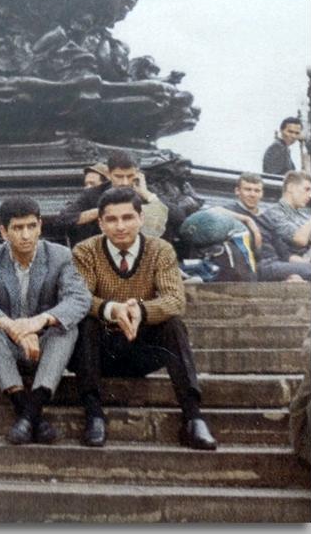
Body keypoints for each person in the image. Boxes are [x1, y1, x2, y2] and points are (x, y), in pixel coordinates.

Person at [70, 187, 218, 450]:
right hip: (102, 351)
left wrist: (141, 310)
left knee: (173, 324)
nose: (120, 226)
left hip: (143, 347)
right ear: (100, 223)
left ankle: (193, 416)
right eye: (112, 219)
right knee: (86, 322)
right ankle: (93, 414)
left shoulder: (160, 250)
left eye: (128, 217)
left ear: (140, 218)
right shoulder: (86, 251)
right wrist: (113, 309)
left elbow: (175, 298)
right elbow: (80, 298)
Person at [0, 197, 91, 445]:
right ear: (3, 231)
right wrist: (13, 327)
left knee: (67, 328)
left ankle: (30, 411)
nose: (25, 235)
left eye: (31, 226)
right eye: (17, 228)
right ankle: (27, 409)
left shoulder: (60, 256)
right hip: (7, 347)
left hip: (44, 345)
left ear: (40, 226)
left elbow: (78, 298)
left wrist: (38, 322)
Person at [56, 152, 171, 246]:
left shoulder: (145, 190)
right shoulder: (93, 194)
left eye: (130, 176)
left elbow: (177, 216)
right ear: (109, 174)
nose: (125, 182)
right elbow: (63, 219)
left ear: (137, 174)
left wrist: (147, 195)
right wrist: (102, 210)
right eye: (119, 177)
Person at [259, 171, 311, 280]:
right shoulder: (273, 213)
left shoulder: (303, 215)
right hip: (284, 265)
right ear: (291, 187)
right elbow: (300, 239)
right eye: (307, 189)